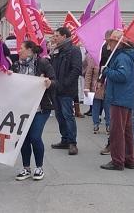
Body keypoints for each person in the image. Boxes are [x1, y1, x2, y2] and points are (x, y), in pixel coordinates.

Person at [13, 40, 55, 181]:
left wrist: (49, 83)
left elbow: (55, 81)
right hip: (23, 108)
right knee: (24, 138)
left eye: (22, 48)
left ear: (30, 50)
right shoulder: (16, 65)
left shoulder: (42, 63)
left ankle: (39, 167)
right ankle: (26, 168)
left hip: (40, 108)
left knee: (35, 137)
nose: (19, 51)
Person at [100, 30, 134, 171]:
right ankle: (129, 159)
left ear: (117, 43)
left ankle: (117, 161)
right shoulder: (126, 56)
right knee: (127, 132)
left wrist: (106, 71)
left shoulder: (122, 57)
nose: (108, 44)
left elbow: (122, 76)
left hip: (119, 98)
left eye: (110, 41)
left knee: (117, 132)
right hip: (125, 97)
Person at [49, 27, 82, 156]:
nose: (54, 38)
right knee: (59, 115)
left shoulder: (73, 50)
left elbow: (76, 70)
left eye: (57, 36)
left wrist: (65, 84)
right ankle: (65, 140)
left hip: (67, 90)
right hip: (56, 88)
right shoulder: (57, 51)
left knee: (68, 115)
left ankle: (72, 142)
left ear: (64, 36)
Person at [83, 53, 103, 133]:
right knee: (96, 106)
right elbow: (88, 74)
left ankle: (108, 125)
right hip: (95, 87)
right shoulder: (93, 57)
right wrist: (86, 87)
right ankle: (96, 124)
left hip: (106, 87)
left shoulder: (110, 56)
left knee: (107, 107)